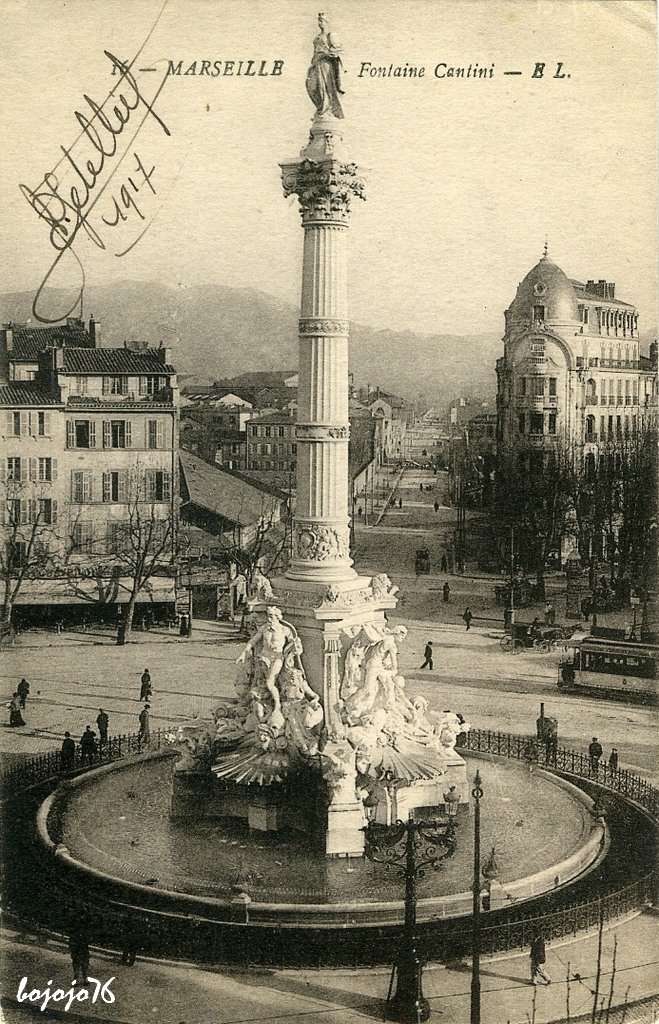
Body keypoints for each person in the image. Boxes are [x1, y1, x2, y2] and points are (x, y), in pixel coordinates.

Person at [305, 12, 344, 120]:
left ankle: (327, 110)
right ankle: (321, 108)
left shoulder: (330, 35)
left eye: (321, 20)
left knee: (325, 88)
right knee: (312, 87)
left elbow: (338, 50)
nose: (319, 23)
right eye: (319, 20)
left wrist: (325, 54)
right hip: (316, 65)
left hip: (326, 66)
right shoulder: (317, 37)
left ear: (326, 22)